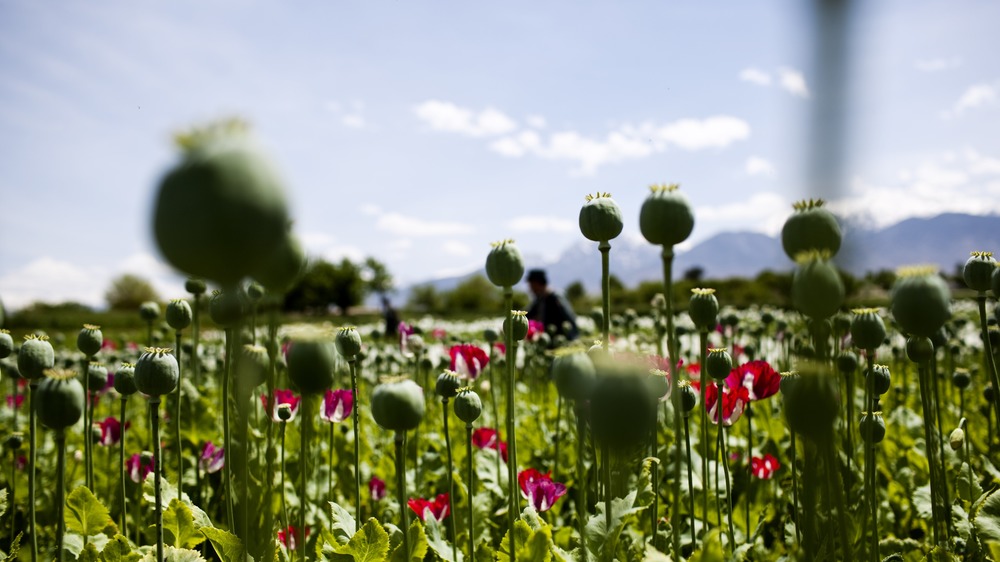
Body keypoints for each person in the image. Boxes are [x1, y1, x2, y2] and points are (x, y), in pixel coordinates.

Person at [525, 269, 579, 343]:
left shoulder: (555, 298)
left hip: (563, 342)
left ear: (537, 283)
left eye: (531, 285)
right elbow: (528, 314)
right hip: (549, 341)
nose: (530, 288)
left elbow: (570, 320)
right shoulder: (540, 299)